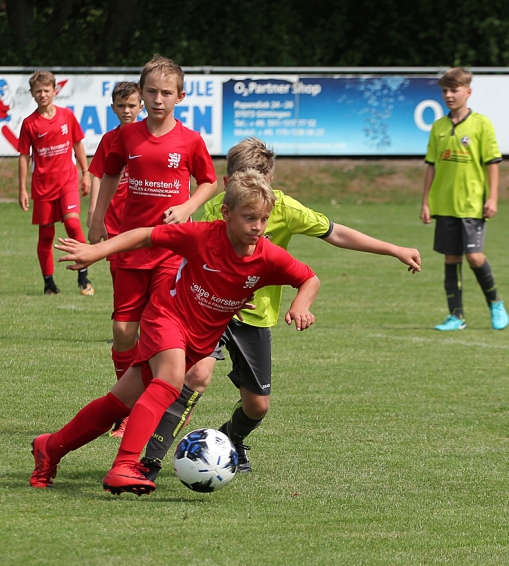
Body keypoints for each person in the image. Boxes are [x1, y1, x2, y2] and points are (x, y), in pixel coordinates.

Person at [138, 138, 422, 478]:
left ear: (270, 183)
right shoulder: (218, 208)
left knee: (257, 406)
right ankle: (150, 461)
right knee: (196, 375)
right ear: (229, 186)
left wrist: (394, 249)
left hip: (257, 318)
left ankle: (231, 438)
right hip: (212, 311)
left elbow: (336, 234)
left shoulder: (285, 208)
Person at [30, 169, 320, 495]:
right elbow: (145, 235)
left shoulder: (268, 257)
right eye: (249, 217)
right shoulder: (202, 236)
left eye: (264, 219)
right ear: (226, 213)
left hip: (197, 340)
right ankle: (125, 465)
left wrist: (300, 305)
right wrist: (97, 251)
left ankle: (50, 447)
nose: (258, 226)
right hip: (166, 317)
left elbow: (309, 278)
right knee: (170, 380)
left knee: (119, 403)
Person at [88, 55, 218, 397]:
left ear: (180, 97)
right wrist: (98, 218)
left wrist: (187, 207)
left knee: (161, 329)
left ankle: (151, 400)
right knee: (122, 331)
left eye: (166, 93)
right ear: (142, 93)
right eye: (151, 92)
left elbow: (209, 181)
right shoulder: (127, 136)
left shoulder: (190, 140)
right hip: (131, 245)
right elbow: (110, 172)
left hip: (172, 250)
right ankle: (126, 398)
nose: (158, 99)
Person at [420, 67, 509, 331]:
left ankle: (495, 303)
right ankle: (456, 317)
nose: (449, 95)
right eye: (445, 91)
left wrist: (492, 198)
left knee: (475, 257)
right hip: (445, 204)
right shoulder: (438, 126)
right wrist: (426, 202)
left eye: (454, 90)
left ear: (468, 92)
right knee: (451, 258)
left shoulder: (481, 124)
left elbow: (492, 163)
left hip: (472, 204)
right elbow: (431, 165)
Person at [86, 81, 144, 384]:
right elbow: (98, 175)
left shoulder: (150, 138)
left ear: (141, 106)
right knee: (121, 286)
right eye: (121, 106)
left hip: (147, 226)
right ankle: (127, 330)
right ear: (113, 108)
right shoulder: (110, 140)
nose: (127, 110)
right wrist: (95, 216)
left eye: (132, 105)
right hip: (117, 228)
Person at [18, 70, 94, 296]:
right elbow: (24, 156)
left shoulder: (67, 116)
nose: (42, 95)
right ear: (32, 93)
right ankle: (49, 284)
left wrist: (86, 173)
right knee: (46, 236)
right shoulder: (29, 123)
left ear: (55, 91)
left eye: (46, 90)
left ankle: (83, 277)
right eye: (38, 91)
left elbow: (78, 144)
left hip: (67, 181)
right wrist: (22, 188)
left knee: (73, 226)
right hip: (42, 186)